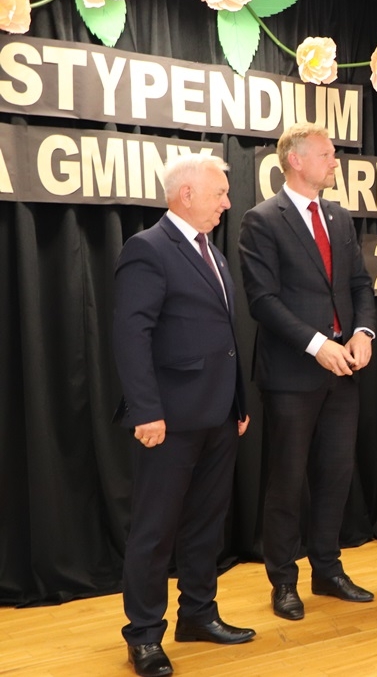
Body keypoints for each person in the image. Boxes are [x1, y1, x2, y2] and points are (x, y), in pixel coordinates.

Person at [113, 153, 253, 677]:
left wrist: (238, 403)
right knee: (154, 532)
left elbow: (225, 337)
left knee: (206, 525)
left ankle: (197, 613)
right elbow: (132, 335)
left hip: (219, 414)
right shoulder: (148, 248)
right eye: (219, 193)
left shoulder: (211, 251)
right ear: (186, 194)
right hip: (168, 419)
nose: (227, 202)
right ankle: (144, 635)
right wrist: (146, 411)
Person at [238, 123, 377, 621]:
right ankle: (283, 580)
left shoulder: (339, 217)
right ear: (295, 160)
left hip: (345, 370)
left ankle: (327, 569)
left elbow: (360, 284)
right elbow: (263, 300)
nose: (335, 161)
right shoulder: (261, 220)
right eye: (326, 154)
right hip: (292, 374)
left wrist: (363, 332)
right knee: (287, 480)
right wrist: (318, 345)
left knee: (335, 475)